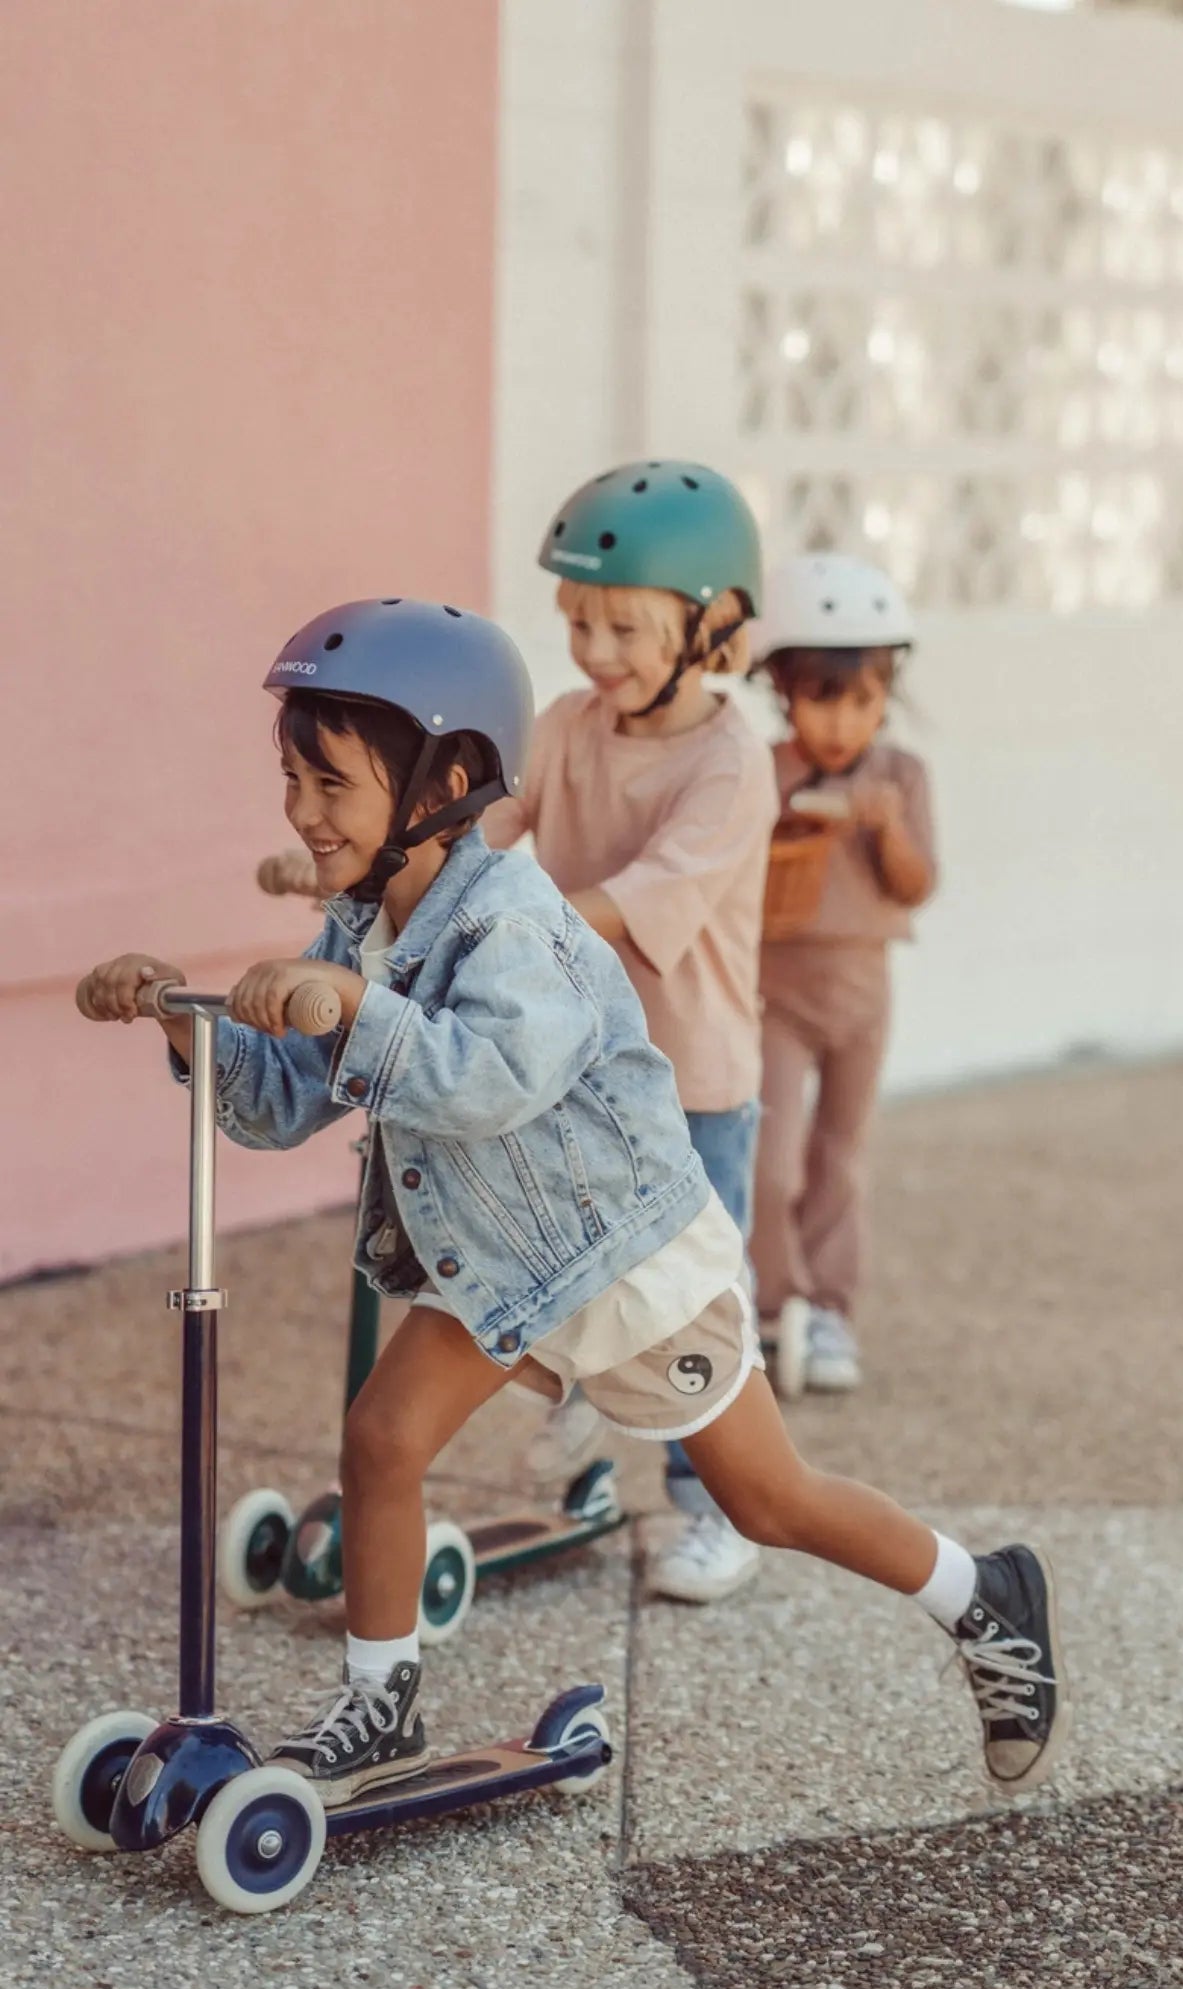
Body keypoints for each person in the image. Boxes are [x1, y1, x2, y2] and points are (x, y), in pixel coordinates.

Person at [77, 597, 1067, 1805]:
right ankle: (379, 1700)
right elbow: (285, 1100)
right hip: (499, 1265)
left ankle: (982, 1592)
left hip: (621, 1254)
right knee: (382, 1438)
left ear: (443, 776)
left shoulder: (513, 922)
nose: (300, 811)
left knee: (767, 1497)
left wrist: (348, 1008)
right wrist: (189, 1020)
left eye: (329, 783)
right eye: (290, 775)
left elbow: (488, 1079)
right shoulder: (359, 920)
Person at [488, 460, 778, 1604]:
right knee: (542, 1233)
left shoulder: (728, 763)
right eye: (576, 621)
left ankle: (717, 1509)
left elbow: (632, 896)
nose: (592, 649)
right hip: (572, 1064)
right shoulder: (567, 726)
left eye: (621, 625)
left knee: (692, 1305)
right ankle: (570, 1388)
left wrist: (496, 912)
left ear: (711, 629)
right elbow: (485, 822)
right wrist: (387, 858)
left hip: (689, 1077)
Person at [749, 555, 936, 1394]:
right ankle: (769, 1299)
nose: (841, 724)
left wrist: (885, 830)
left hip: (862, 992)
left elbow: (917, 883)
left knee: (840, 1155)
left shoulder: (900, 775)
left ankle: (828, 1309)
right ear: (782, 687)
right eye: (822, 699)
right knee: (774, 1159)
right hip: (776, 991)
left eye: (862, 702)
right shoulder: (758, 766)